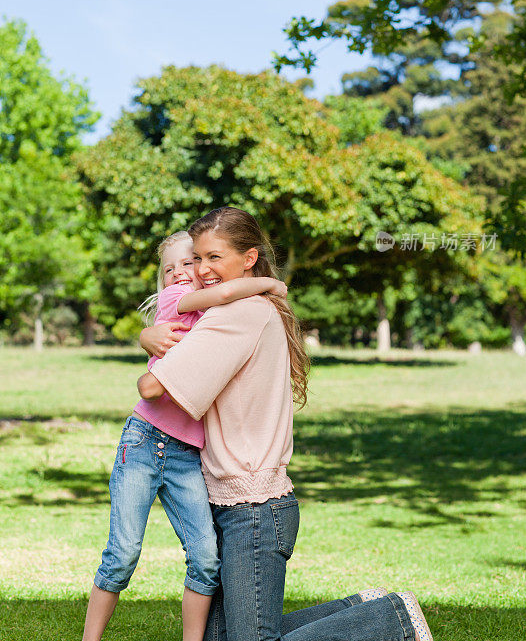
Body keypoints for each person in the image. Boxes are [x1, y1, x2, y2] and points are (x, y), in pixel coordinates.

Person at [137, 207, 434, 641]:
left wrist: (148, 341)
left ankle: (392, 622)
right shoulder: (253, 307)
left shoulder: (235, 315)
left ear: (249, 259)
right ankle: (363, 610)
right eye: (197, 258)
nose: (201, 270)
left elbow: (151, 386)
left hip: (252, 511)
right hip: (234, 503)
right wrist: (150, 335)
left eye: (214, 257)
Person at [82, 230, 288, 641]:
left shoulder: (211, 314)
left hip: (187, 454)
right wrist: (269, 283)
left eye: (188, 264)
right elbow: (227, 293)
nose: (179, 273)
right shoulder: (180, 301)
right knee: (122, 555)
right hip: (144, 442)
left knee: (206, 559)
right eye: (169, 268)